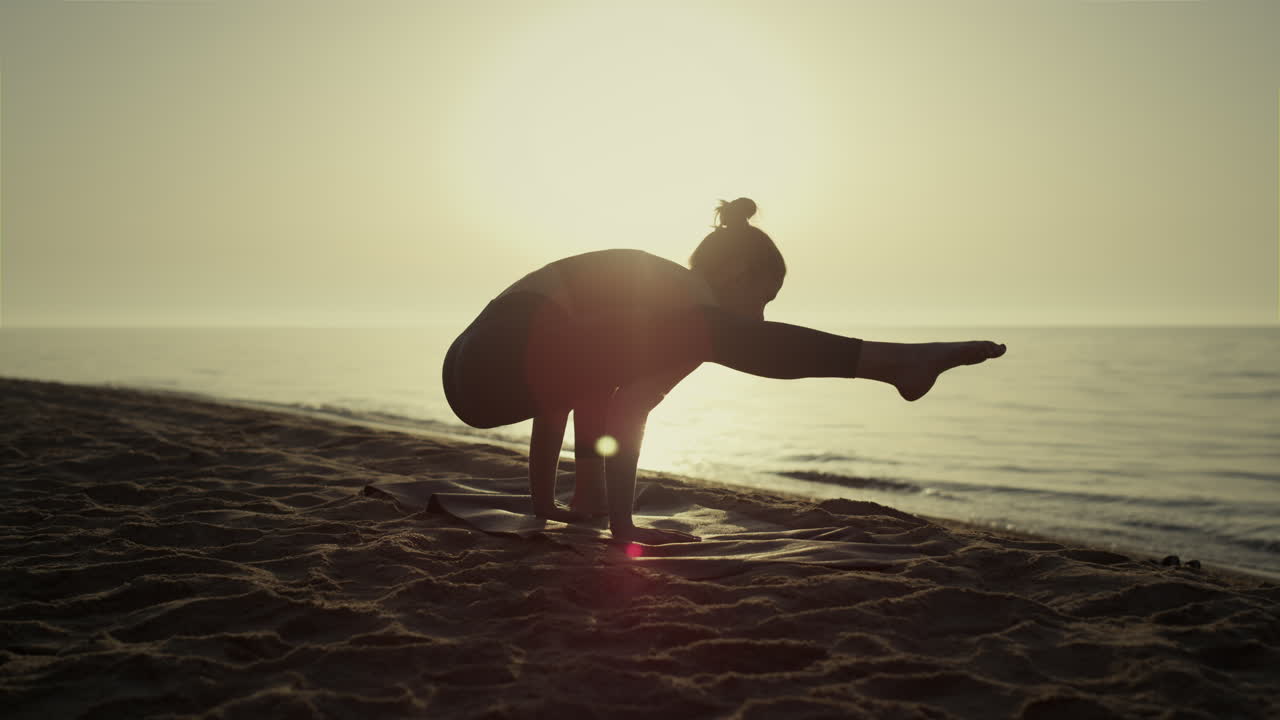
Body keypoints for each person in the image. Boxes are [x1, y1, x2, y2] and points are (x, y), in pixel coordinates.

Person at [442, 198, 1006, 545]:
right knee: (707, 335)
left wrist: (545, 504)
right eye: (764, 299)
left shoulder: (643, 308)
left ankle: (585, 499)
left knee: (625, 361)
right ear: (735, 271)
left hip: (470, 373)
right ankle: (894, 361)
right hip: (499, 355)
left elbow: (564, 390)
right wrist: (623, 529)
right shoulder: (683, 300)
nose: (761, 319)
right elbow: (626, 409)